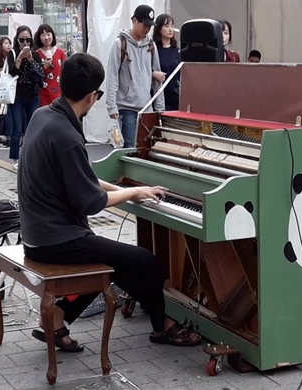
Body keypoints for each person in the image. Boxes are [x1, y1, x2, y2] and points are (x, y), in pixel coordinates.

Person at [18, 52, 201, 350]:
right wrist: (134, 191)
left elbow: (80, 176)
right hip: (55, 240)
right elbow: (92, 201)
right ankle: (162, 325)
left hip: (36, 234)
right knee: (144, 261)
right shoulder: (65, 133)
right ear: (92, 96)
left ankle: (59, 315)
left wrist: (119, 186)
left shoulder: (44, 116)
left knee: (113, 259)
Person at [106, 4, 165, 148]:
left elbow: (158, 79)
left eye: (149, 26)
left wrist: (160, 108)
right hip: (127, 108)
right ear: (134, 21)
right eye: (144, 24)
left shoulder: (151, 46)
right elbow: (112, 76)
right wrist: (111, 107)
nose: (147, 29)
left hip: (147, 108)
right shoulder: (120, 44)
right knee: (129, 150)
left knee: (147, 149)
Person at [7, 25, 44, 169]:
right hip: (16, 95)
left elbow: (40, 74)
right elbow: (12, 72)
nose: (25, 43)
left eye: (28, 39)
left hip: (32, 95)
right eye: (22, 39)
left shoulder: (35, 54)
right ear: (17, 39)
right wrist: (20, 58)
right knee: (17, 128)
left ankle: (29, 158)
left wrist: (30, 59)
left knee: (31, 128)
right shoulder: (13, 53)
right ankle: (15, 159)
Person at [152, 13, 180, 111]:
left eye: (172, 26)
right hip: (156, 97)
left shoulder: (177, 51)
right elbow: (143, 70)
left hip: (175, 99)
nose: (170, 29)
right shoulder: (153, 50)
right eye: (166, 26)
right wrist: (153, 74)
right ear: (159, 28)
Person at [33, 24, 66, 107]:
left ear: (52, 35)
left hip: (59, 93)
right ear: (39, 37)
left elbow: (66, 71)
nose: (46, 38)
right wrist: (45, 66)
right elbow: (35, 75)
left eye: (48, 34)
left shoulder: (60, 52)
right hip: (43, 95)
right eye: (43, 35)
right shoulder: (36, 54)